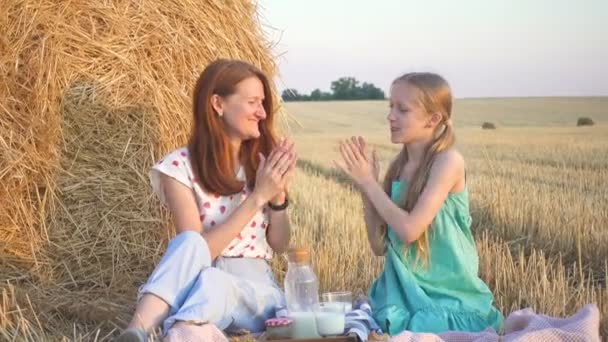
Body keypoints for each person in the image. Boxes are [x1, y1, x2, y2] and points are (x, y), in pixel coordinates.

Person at [117, 59, 296, 342]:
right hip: (199, 284)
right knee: (190, 252)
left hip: (254, 292)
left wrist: (276, 197)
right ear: (218, 104)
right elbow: (201, 251)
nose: (262, 112)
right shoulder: (178, 167)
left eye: (263, 103)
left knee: (212, 283)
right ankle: (137, 332)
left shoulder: (263, 164)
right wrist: (256, 198)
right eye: (252, 102)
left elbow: (281, 243)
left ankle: (146, 328)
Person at [334, 72, 503, 335]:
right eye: (391, 107)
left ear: (433, 119)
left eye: (402, 109)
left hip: (445, 295)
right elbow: (379, 246)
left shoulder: (448, 162)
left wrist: (369, 183)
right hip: (401, 295)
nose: (391, 116)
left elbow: (410, 231)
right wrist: (367, 189)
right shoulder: (398, 168)